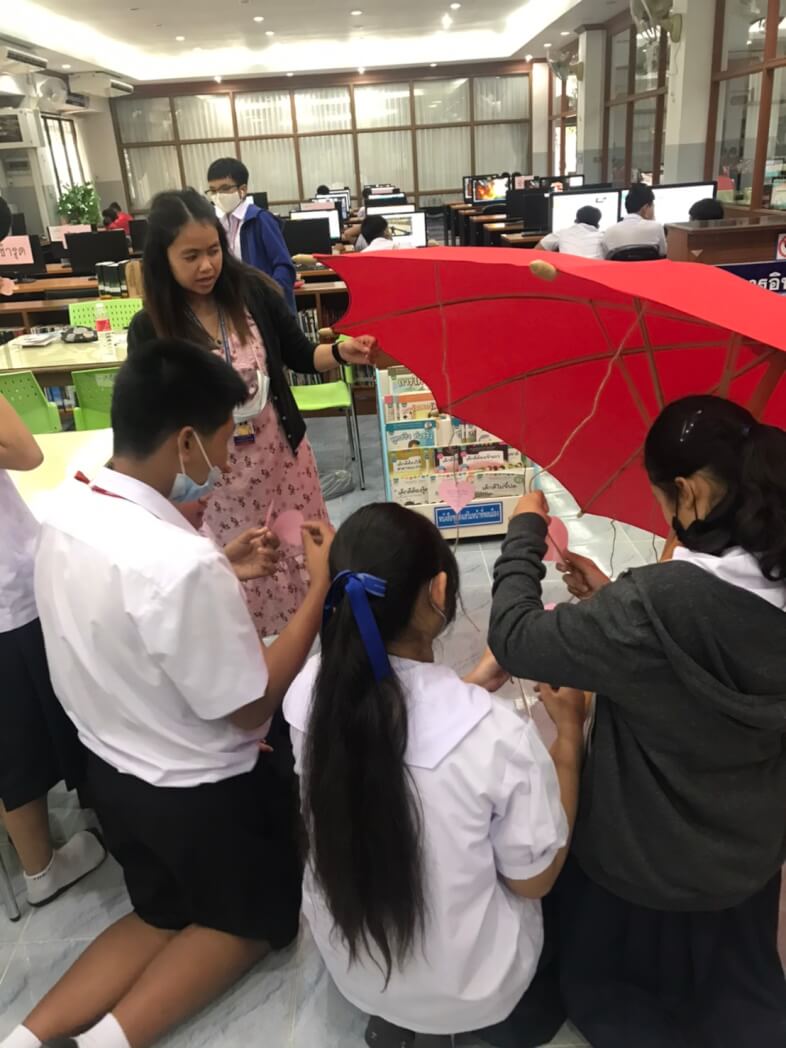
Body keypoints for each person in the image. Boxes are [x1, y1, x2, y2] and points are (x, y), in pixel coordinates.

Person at [1, 338, 334, 1048]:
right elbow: (251, 704)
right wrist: (319, 589)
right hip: (198, 795)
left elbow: (129, 604)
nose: (226, 463)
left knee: (160, 915)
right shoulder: (181, 564)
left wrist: (218, 564)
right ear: (185, 442)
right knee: (254, 920)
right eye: (224, 441)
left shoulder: (69, 504)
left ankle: (24, 1038)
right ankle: (104, 1042)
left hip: (113, 777)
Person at [488, 395, 786, 1048]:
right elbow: (709, 631)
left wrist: (524, 531)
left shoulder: (651, 607)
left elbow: (513, 635)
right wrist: (616, 596)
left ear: (690, 493)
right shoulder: (733, 584)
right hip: (748, 865)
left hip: (641, 865)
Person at [283, 502, 586, 1048]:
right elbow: (534, 880)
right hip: (474, 991)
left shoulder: (309, 694)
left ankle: (402, 1017)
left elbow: (394, 731)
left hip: (356, 967)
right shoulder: (497, 738)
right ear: (439, 591)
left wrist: (469, 685)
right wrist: (568, 739)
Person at [126, 188, 377, 637]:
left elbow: (301, 355)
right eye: (190, 256)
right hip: (216, 481)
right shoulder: (151, 327)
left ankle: (316, 651)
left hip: (283, 461)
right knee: (243, 578)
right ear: (163, 259)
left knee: (306, 562)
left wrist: (343, 351)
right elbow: (153, 411)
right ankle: (262, 667)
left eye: (213, 250)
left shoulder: (254, 293)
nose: (207, 266)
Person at [0, 394, 106, 914]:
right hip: (9, 591)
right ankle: (42, 864)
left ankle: (40, 859)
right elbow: (27, 451)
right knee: (35, 723)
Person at [206, 157, 296, 312]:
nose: (218, 195)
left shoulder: (260, 219)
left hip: (263, 305)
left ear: (243, 189)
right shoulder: (214, 223)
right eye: (213, 190)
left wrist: (270, 298)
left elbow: (284, 266)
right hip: (230, 306)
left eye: (225, 188)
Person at [601, 183, 666, 258]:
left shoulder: (609, 232)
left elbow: (606, 257)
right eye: (653, 206)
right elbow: (663, 253)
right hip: (648, 266)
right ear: (646, 208)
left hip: (621, 266)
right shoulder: (656, 227)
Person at [537, 205, 604, 259]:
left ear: (576, 220)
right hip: (596, 271)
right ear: (598, 225)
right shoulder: (603, 237)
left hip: (569, 271)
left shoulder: (562, 233)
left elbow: (537, 251)